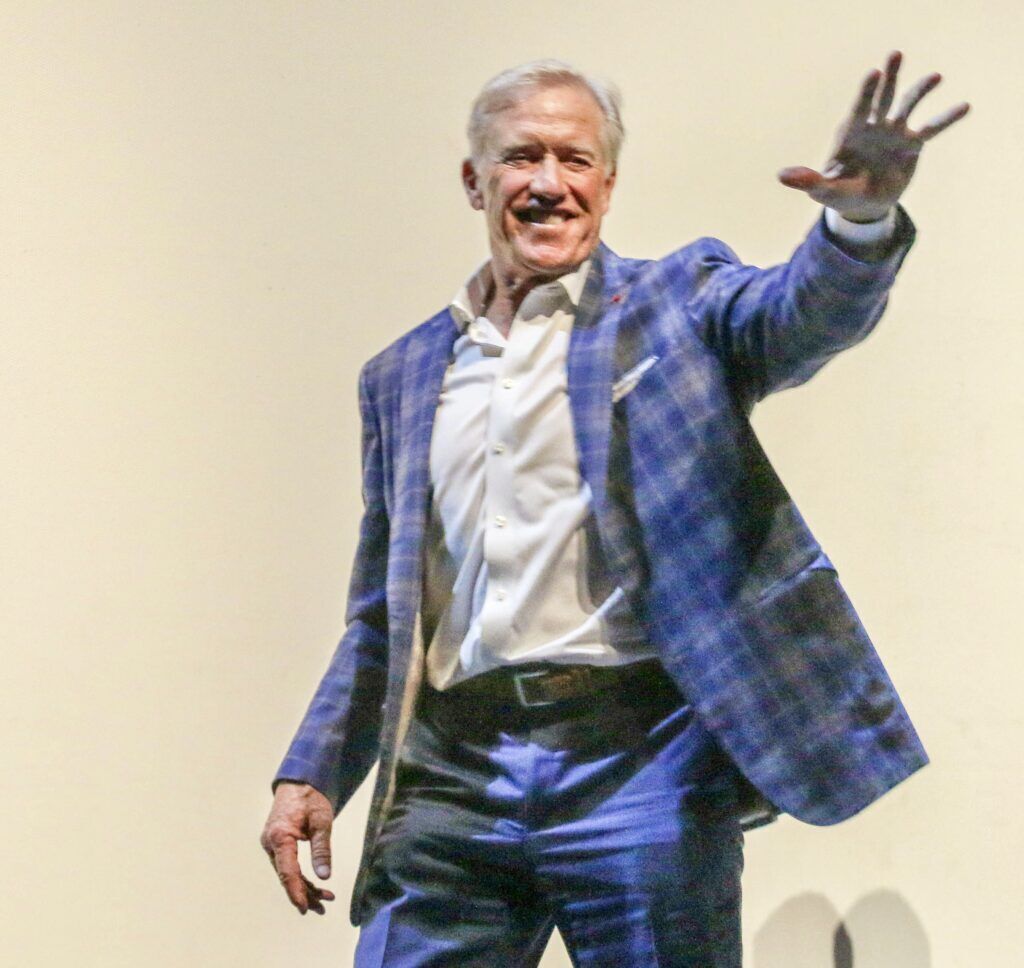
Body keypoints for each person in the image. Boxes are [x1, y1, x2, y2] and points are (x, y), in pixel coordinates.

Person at [261, 53, 968, 965]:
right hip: (451, 775)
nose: (550, 184)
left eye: (576, 159)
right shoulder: (401, 377)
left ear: (609, 182)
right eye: (522, 158)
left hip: (640, 759)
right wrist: (310, 771)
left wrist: (859, 218)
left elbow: (799, 315)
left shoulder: (677, 301)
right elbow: (380, 613)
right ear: (474, 180)